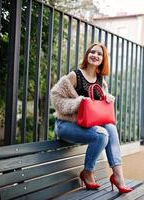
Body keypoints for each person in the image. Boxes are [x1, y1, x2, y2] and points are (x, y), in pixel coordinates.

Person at [50, 43, 133, 193]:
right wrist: (79, 102)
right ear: (87, 55)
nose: (95, 55)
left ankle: (118, 176)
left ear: (103, 59)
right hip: (65, 125)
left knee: (110, 128)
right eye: (92, 52)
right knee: (102, 134)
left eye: (99, 54)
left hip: (86, 127)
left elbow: (97, 112)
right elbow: (55, 97)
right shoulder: (75, 75)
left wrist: (105, 100)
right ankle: (87, 172)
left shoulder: (101, 82)